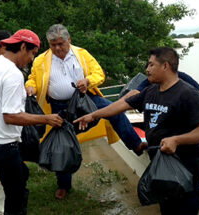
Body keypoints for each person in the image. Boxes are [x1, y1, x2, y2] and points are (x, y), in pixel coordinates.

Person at [74, 47, 199, 215]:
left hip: (187, 165)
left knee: (184, 209)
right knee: (167, 207)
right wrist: (93, 115)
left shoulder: (188, 94)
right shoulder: (151, 91)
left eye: (151, 65)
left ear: (165, 66)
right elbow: (121, 105)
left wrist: (176, 140)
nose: (147, 69)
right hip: (162, 164)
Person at [25, 24, 144, 200]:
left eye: (60, 43)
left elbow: (99, 73)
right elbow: (32, 79)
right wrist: (30, 87)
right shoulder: (41, 60)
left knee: (113, 110)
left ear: (69, 40)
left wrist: (88, 81)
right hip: (59, 106)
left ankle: (136, 144)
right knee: (62, 144)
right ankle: (64, 185)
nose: (57, 48)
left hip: (86, 99)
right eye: (53, 44)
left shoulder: (82, 54)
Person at [0, 29, 63, 215]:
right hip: (1, 144)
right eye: (32, 53)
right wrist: (46, 118)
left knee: (21, 174)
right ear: (22, 47)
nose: (31, 59)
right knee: (16, 195)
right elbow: (11, 116)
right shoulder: (13, 74)